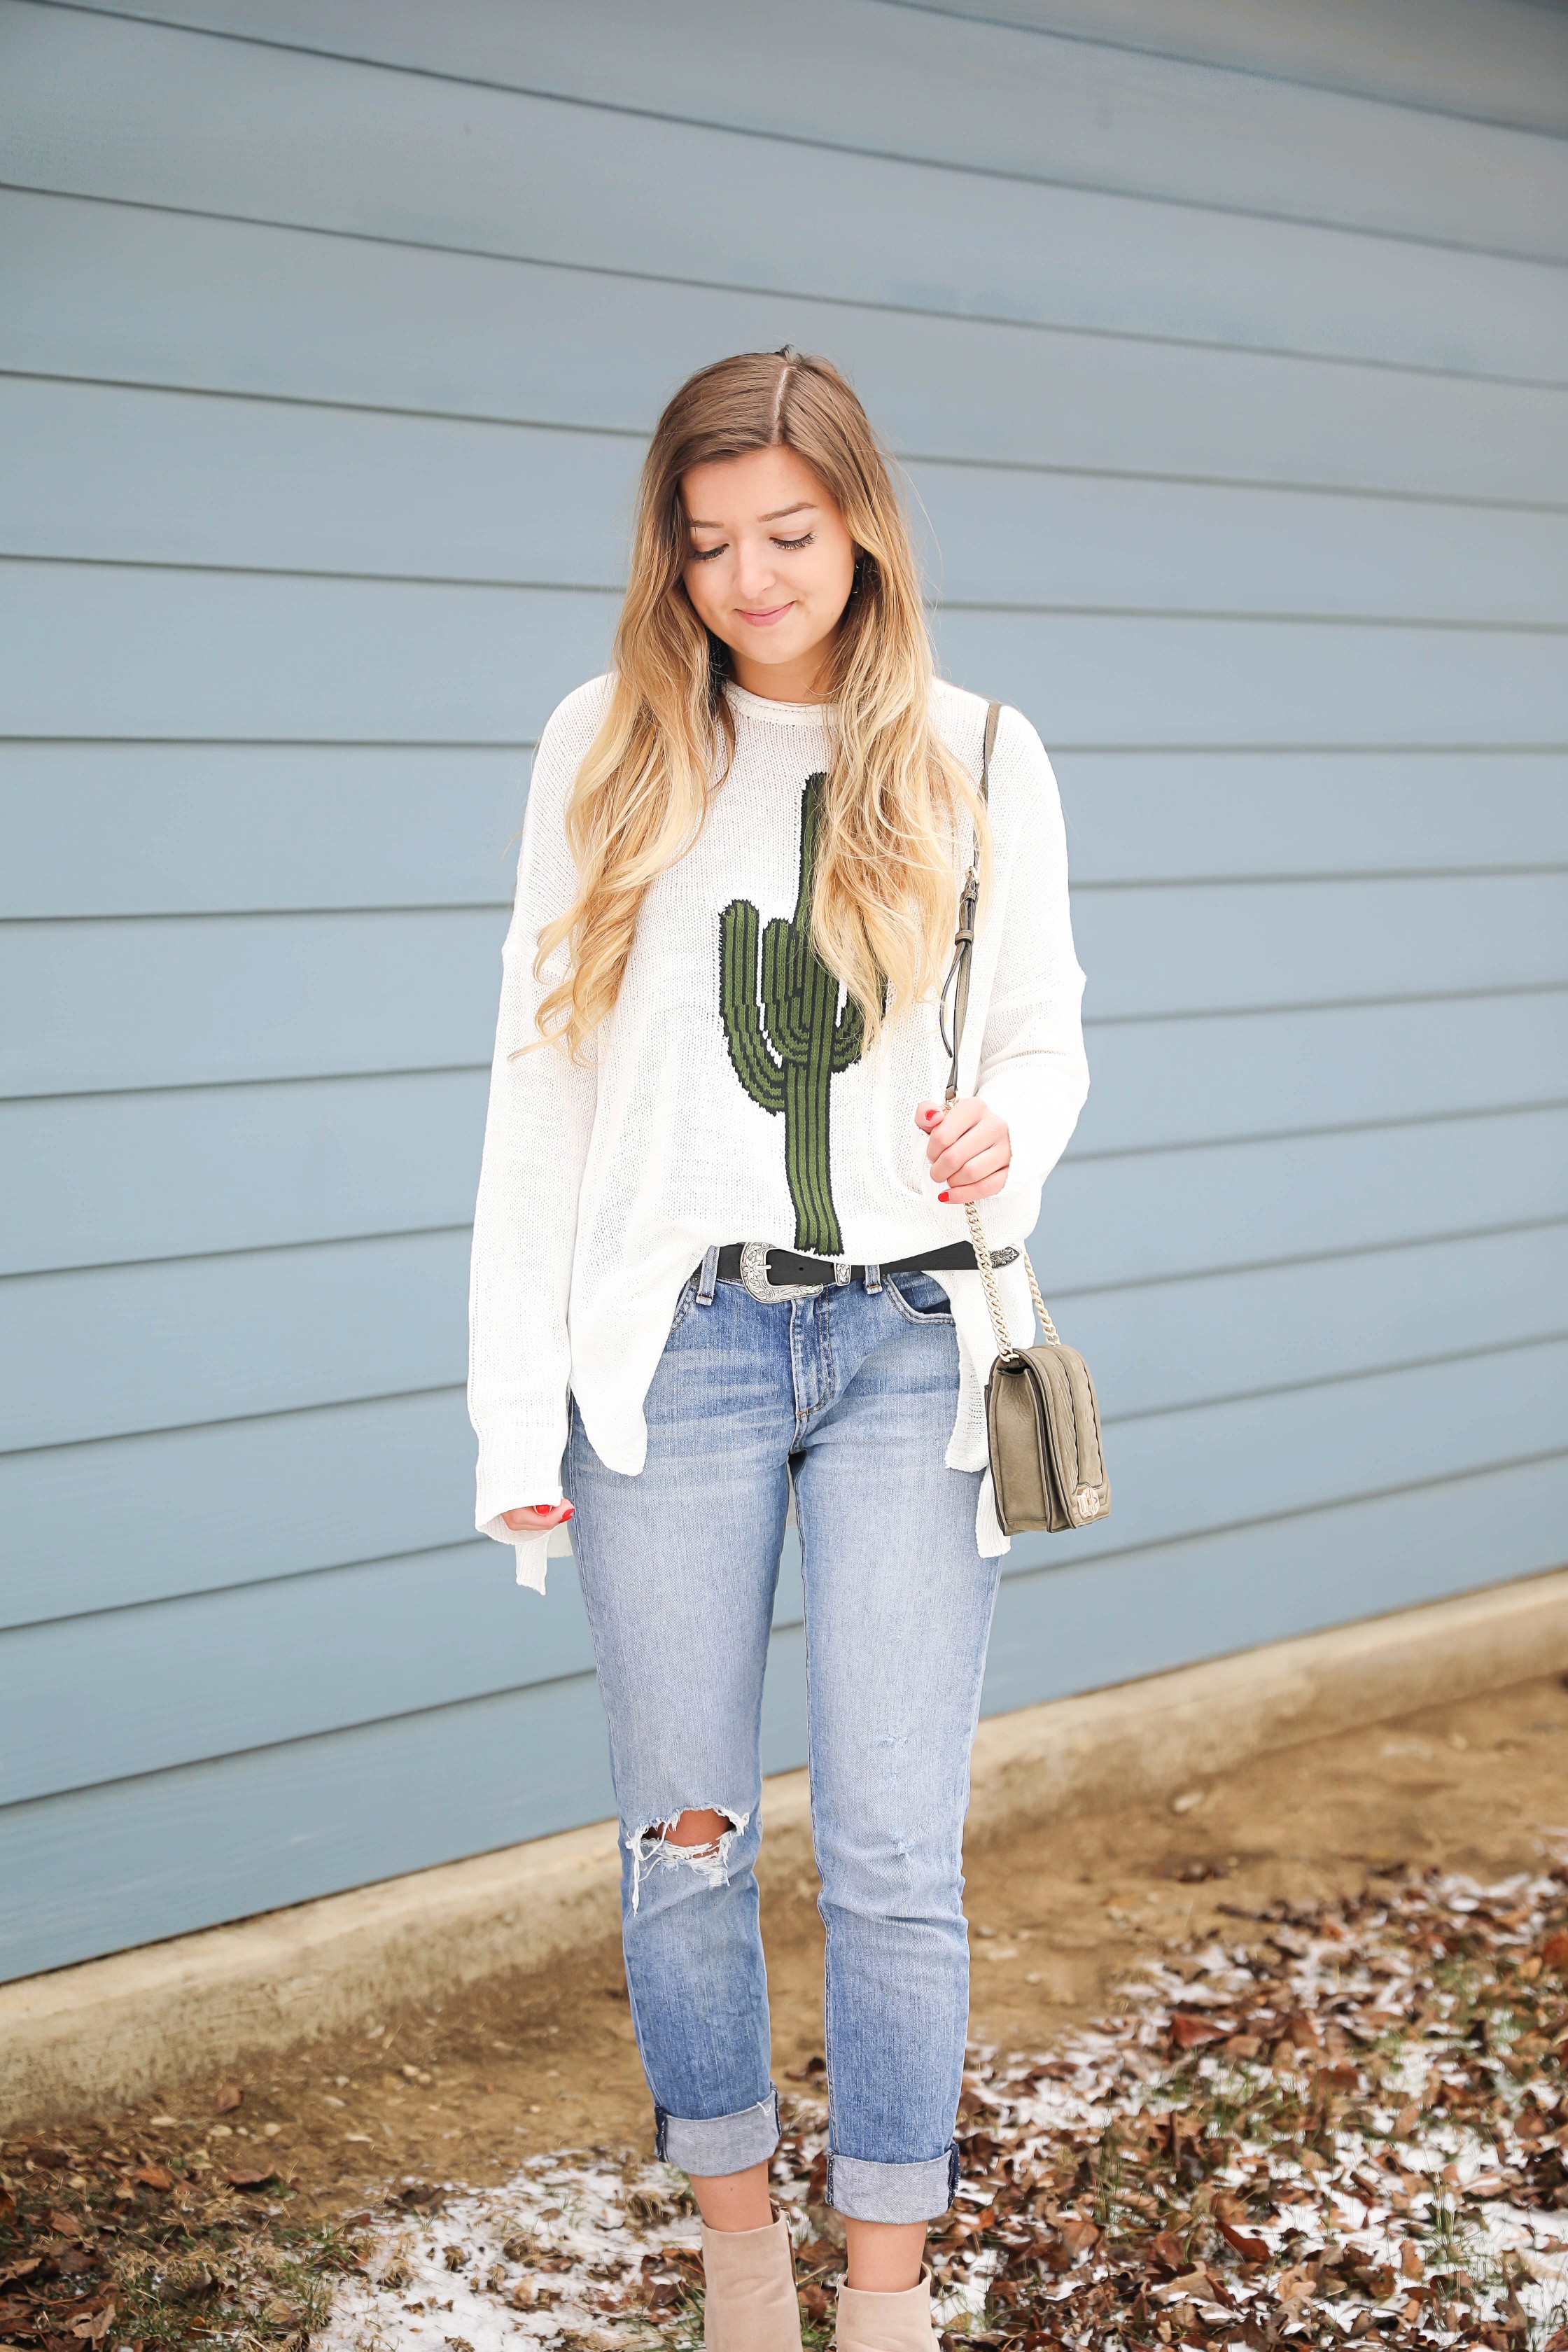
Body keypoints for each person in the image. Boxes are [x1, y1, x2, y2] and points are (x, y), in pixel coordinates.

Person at [468, 347, 1088, 2351]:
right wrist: (518, 1398)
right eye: (708, 540)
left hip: (915, 1342)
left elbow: (1044, 1036)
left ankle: (888, 2287)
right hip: (680, 1349)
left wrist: (1013, 1134)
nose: (749, 577)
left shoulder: (986, 751)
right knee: (687, 1840)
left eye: (789, 535)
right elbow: (536, 1086)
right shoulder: (605, 741)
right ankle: (743, 2249)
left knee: (900, 1851)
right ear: (671, 548)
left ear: (864, 526)